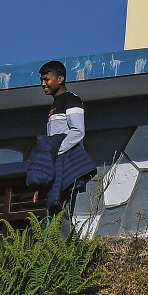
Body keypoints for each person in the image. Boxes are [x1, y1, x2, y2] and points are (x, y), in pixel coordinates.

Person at [37, 60, 94, 216]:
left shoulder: (72, 100)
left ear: (60, 79)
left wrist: (56, 151)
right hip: (56, 165)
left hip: (68, 163)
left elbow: (77, 131)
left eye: (46, 79)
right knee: (55, 210)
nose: (43, 84)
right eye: (41, 80)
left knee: (64, 213)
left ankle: (66, 240)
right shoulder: (54, 106)